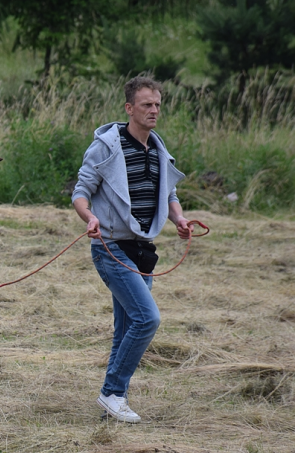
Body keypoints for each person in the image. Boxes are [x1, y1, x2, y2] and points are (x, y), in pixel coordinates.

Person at [71, 76, 194, 423]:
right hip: (110, 248)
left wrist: (180, 219)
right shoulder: (106, 147)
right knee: (147, 318)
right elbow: (80, 192)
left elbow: (169, 195)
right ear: (129, 108)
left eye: (157, 104)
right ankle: (112, 392)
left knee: (127, 329)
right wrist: (89, 218)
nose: (154, 110)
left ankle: (113, 402)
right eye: (146, 105)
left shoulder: (158, 148)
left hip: (143, 251)